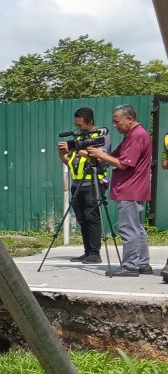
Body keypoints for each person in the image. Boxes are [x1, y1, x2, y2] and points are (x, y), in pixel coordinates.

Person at [86, 104, 152, 277]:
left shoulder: (137, 135)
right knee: (137, 228)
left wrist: (100, 155)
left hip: (130, 187)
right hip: (135, 187)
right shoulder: (131, 135)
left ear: (129, 118)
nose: (115, 126)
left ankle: (130, 266)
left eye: (117, 122)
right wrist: (91, 154)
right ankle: (143, 264)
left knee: (128, 228)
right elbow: (114, 157)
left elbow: (124, 164)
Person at [57, 107, 109, 263]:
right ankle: (87, 251)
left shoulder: (100, 136)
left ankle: (95, 253)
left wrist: (75, 148)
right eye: (76, 124)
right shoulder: (78, 137)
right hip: (77, 183)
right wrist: (62, 151)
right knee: (81, 218)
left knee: (91, 217)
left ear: (90, 122)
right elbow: (68, 160)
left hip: (93, 182)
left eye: (80, 125)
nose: (77, 128)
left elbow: (100, 157)